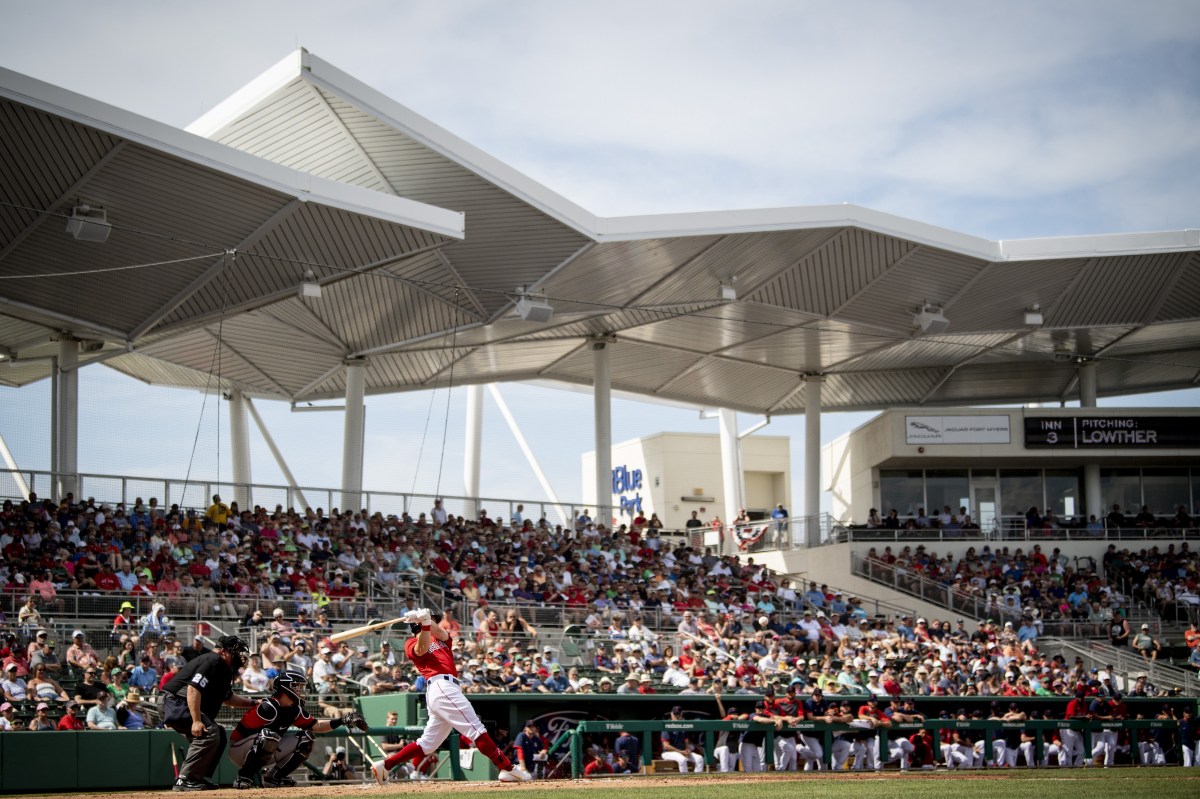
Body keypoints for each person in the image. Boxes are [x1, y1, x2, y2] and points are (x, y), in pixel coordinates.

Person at [370, 607, 531, 784]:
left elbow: (439, 631)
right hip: (440, 686)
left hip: (445, 688)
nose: (435, 621)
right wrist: (423, 624)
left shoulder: (441, 639)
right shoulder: (410, 642)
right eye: (431, 619)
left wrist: (425, 622)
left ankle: (385, 765)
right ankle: (507, 768)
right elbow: (422, 648)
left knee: (427, 743)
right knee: (476, 730)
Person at [227, 669, 368, 789]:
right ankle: (244, 777)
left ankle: (273, 778)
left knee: (306, 738)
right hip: (240, 749)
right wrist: (260, 744)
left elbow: (317, 726)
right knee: (269, 735)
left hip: (265, 748)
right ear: (286, 688)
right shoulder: (268, 707)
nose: (300, 691)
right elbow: (240, 733)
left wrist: (342, 720)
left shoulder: (295, 709)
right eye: (297, 687)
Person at [161, 635, 257, 791]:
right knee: (209, 732)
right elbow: (193, 688)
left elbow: (228, 698)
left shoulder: (223, 667)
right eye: (236, 652)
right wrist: (196, 721)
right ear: (224, 651)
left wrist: (253, 703)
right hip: (174, 701)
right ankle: (185, 779)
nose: (240, 656)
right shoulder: (213, 660)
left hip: (180, 702)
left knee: (219, 733)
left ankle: (199, 777)